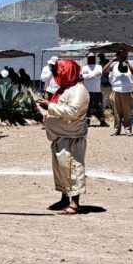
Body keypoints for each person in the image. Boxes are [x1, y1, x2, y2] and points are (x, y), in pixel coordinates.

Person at [36, 60, 89, 215]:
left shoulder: (79, 90)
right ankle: (64, 198)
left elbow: (73, 112)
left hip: (72, 135)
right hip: (61, 135)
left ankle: (74, 202)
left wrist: (49, 107)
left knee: (72, 167)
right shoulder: (66, 89)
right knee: (61, 167)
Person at [103, 49, 133, 136]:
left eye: (124, 55)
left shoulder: (130, 63)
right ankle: (116, 129)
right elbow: (104, 70)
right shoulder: (114, 65)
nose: (122, 57)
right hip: (116, 91)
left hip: (127, 91)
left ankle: (128, 129)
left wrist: (127, 63)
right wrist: (111, 61)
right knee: (117, 112)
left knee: (127, 112)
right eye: (120, 55)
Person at [81, 52, 108, 127]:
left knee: (99, 106)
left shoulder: (98, 67)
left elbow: (98, 76)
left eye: (92, 57)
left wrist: (89, 75)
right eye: (89, 58)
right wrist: (93, 74)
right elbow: (84, 76)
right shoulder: (84, 67)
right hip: (87, 91)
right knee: (87, 106)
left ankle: (102, 121)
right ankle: (87, 121)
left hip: (97, 90)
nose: (91, 59)